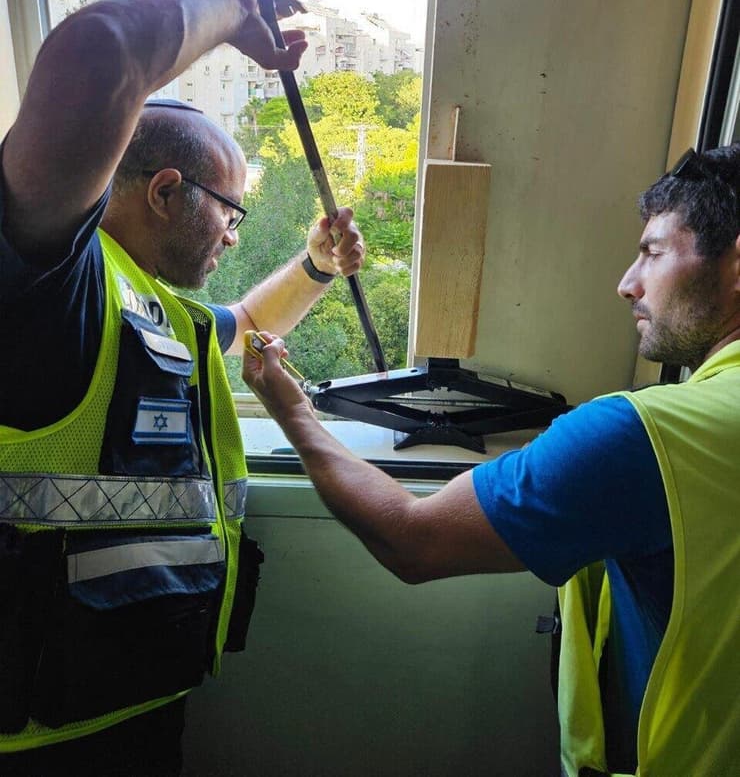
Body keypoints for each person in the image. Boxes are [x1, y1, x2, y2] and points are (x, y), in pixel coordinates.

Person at [244, 144, 740, 777]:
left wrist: (294, 416)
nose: (627, 283)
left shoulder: (643, 438)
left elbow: (412, 539)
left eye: (653, 251)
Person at [0, 0, 364, 776]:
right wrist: (237, 8)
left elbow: (239, 328)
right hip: (39, 744)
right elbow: (94, 55)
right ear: (167, 191)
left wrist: (313, 266)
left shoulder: (152, 309)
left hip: (127, 704)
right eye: (230, 212)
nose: (236, 237)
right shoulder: (51, 284)